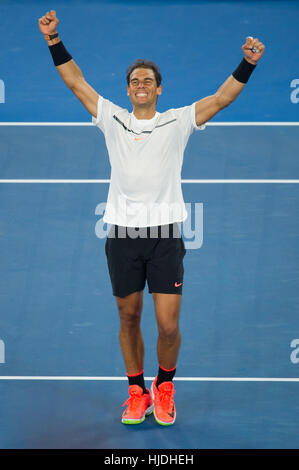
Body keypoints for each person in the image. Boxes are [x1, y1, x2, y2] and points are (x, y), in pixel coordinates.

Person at [38, 10, 265, 426]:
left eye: (147, 80)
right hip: (122, 237)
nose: (141, 85)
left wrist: (247, 63)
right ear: (128, 91)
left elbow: (221, 98)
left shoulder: (177, 122)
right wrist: (54, 40)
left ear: (159, 89)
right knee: (128, 317)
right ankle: (137, 392)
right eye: (134, 81)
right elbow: (75, 81)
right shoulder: (111, 117)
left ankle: (165, 386)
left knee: (167, 324)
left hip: (165, 238)